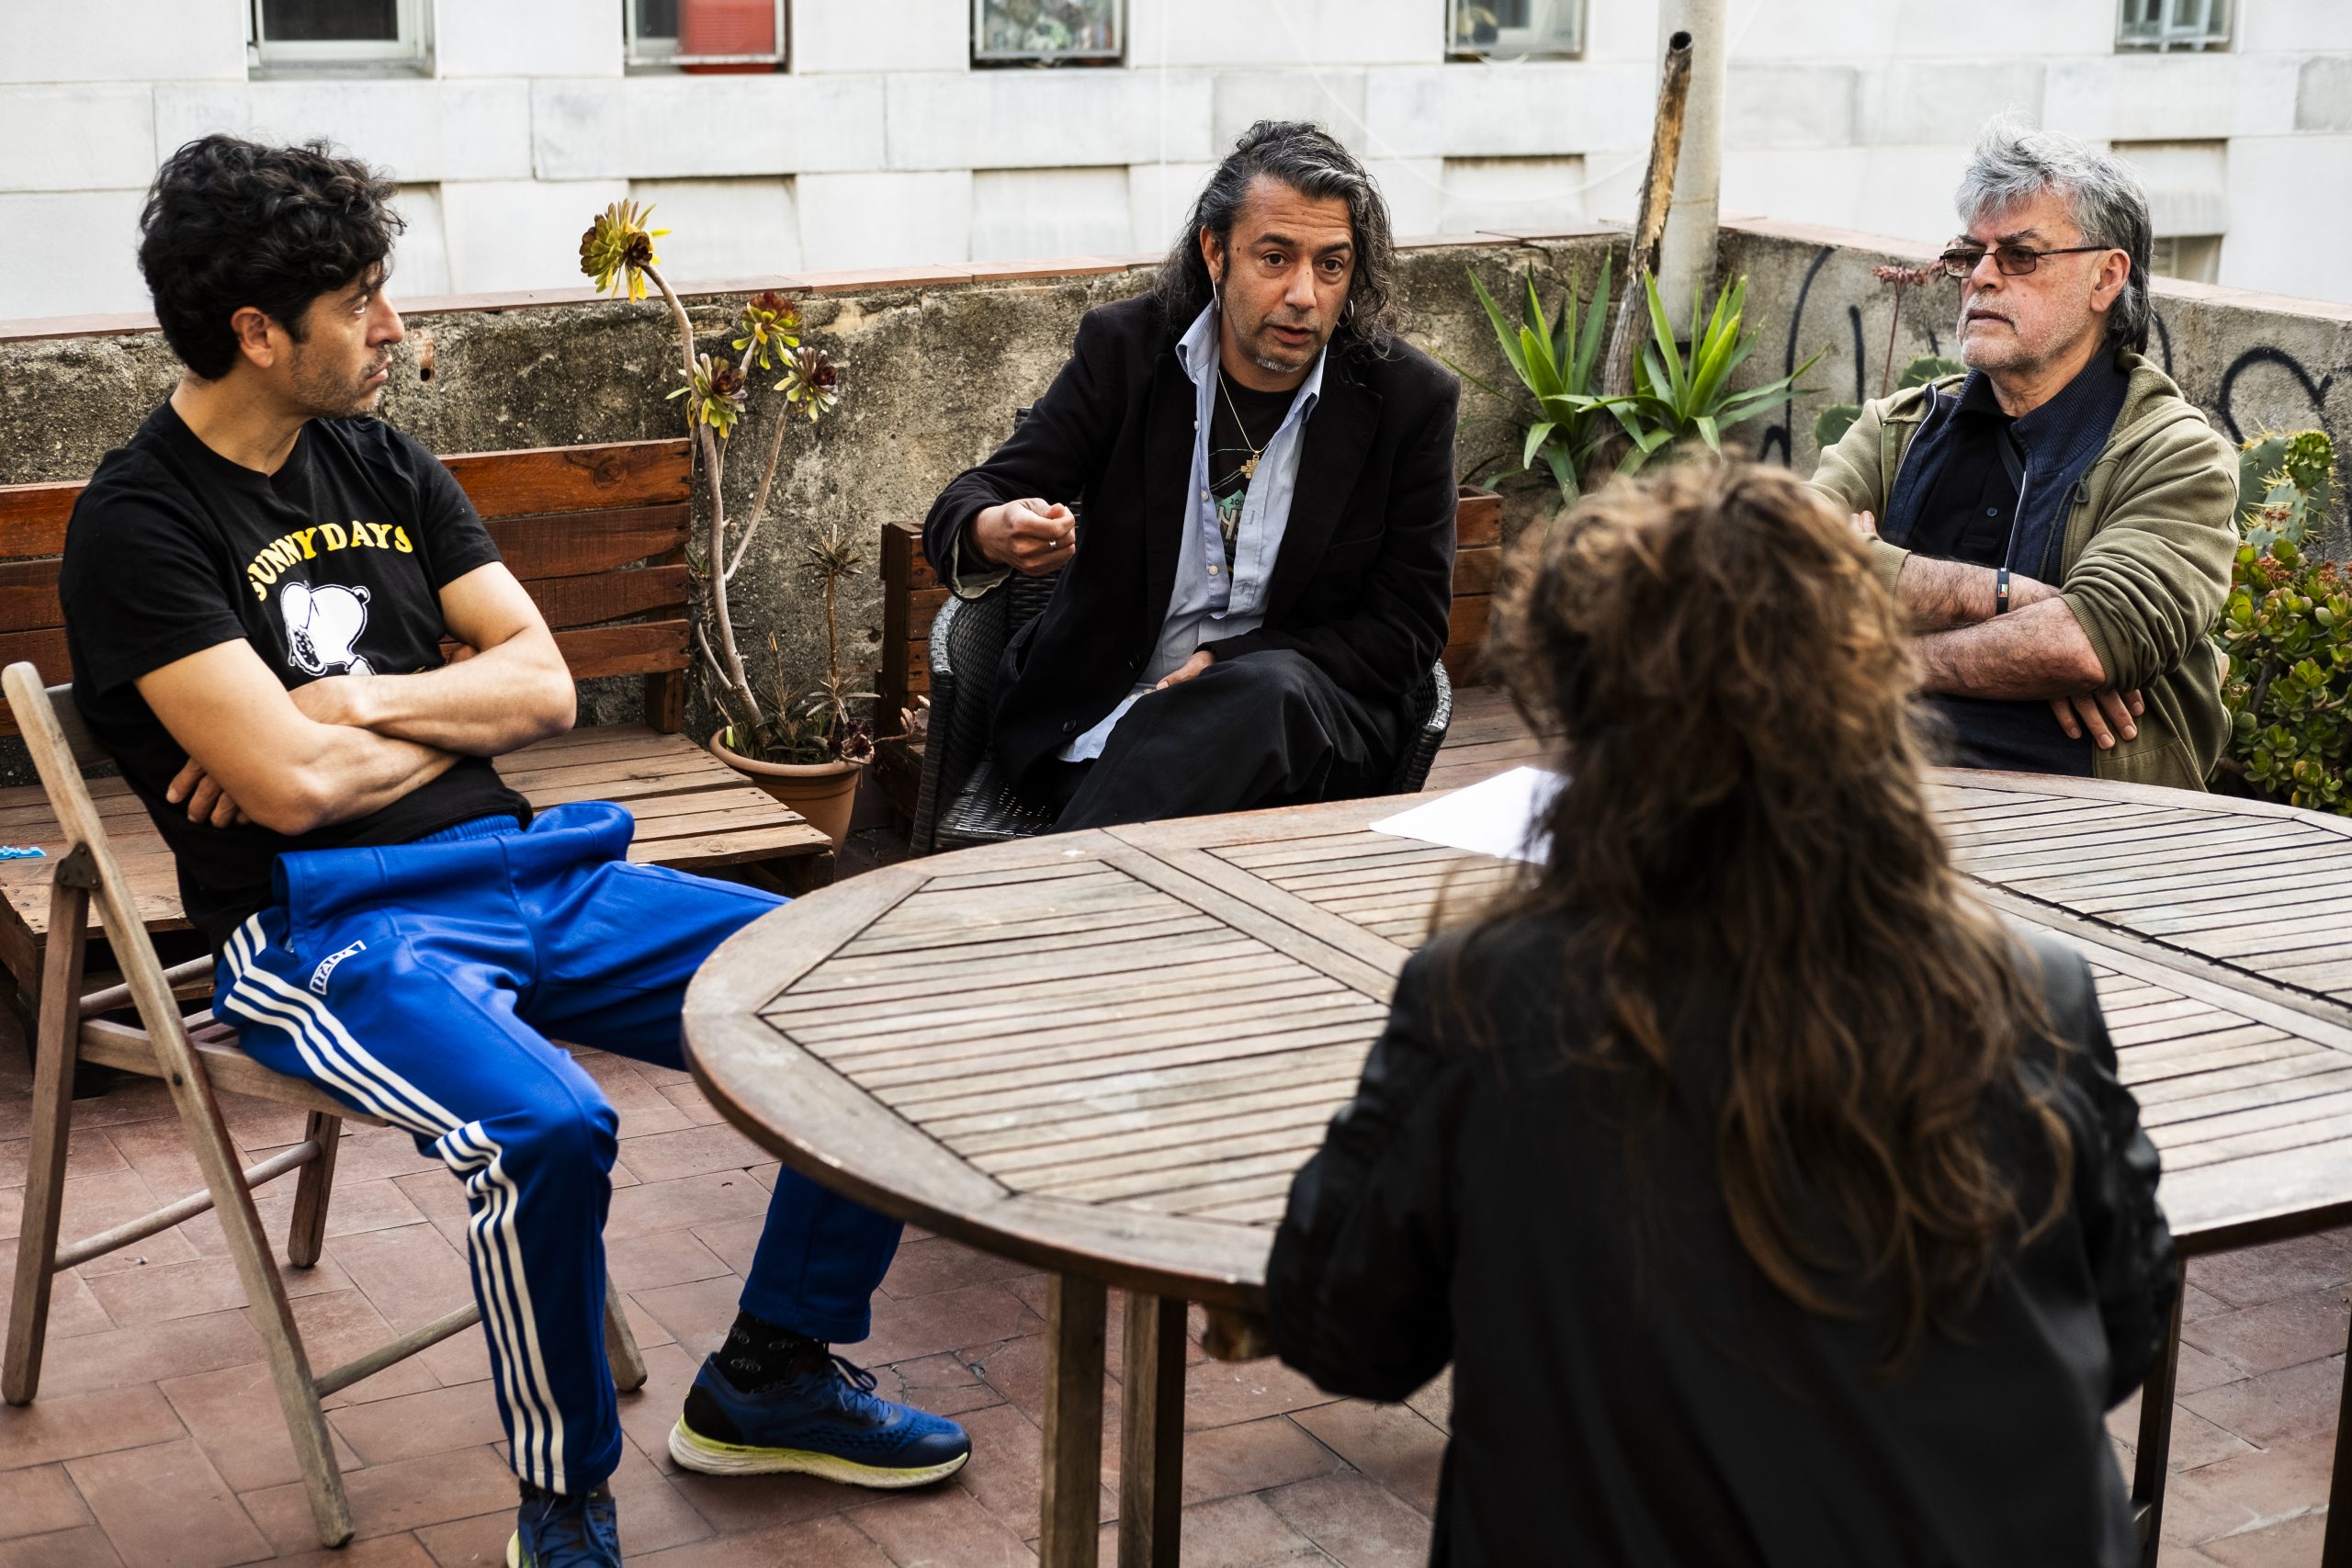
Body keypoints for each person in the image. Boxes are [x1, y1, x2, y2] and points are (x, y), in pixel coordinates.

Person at [57, 135, 969, 1568]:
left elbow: (543, 689)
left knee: (860, 993)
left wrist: (348, 703)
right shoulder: (141, 523)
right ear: (257, 331)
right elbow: (290, 792)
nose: (393, 325)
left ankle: (772, 1371)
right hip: (327, 927)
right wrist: (415, 713)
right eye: (358, 300)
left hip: (535, 869)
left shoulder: (382, 459)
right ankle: (563, 1505)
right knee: (543, 1127)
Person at [1264, 464, 2177, 1567]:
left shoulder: (1493, 995)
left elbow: (1343, 1331)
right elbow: (2123, 1326)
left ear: (1591, 718)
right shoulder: (2035, 986)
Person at [922, 120, 1459, 828]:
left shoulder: (1407, 401)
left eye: (1331, 265)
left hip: (1302, 732)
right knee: (1190, 773)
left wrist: (1230, 663)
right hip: (1102, 723)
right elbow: (973, 498)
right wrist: (993, 529)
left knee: (1265, 693)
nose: (1304, 293)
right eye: (1275, 258)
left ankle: (1056, 876)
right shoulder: (1126, 352)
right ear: (1214, 251)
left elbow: (1408, 630)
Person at [1811, 118, 2237, 789]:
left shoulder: (2174, 454)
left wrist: (1875, 647)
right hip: (1871, 789)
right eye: (1969, 253)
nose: (1981, 277)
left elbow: (2089, 641)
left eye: (2020, 256)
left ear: (2105, 278)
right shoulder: (1900, 429)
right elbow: (1783, 566)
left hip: (2090, 821)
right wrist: (2012, 601)